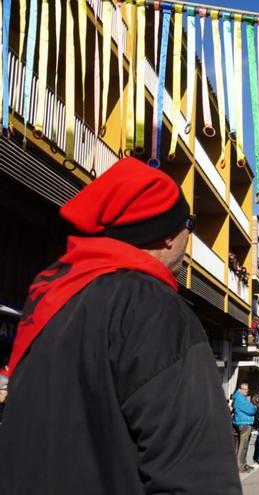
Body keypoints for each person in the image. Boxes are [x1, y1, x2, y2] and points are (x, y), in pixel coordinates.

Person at [0, 157, 240, 494]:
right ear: (169, 235)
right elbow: (197, 475)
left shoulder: (48, 301)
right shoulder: (152, 307)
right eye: (191, 222)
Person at [232, 382, 259, 473]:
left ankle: (243, 464)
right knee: (243, 446)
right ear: (239, 389)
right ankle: (240, 465)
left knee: (244, 446)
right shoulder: (240, 398)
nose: (246, 391)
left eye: (247, 389)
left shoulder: (242, 398)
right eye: (244, 389)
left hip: (245, 422)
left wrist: (253, 407)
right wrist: (254, 407)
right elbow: (251, 410)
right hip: (244, 423)